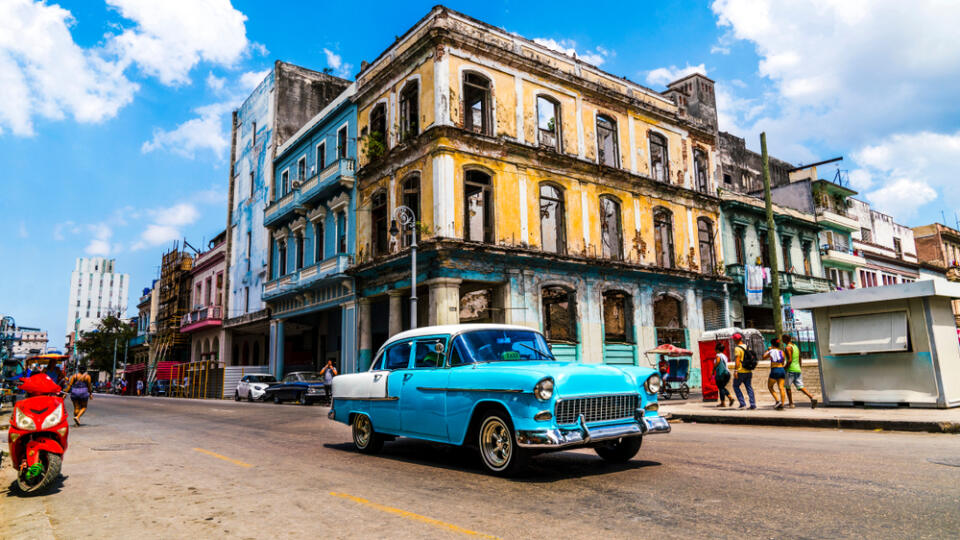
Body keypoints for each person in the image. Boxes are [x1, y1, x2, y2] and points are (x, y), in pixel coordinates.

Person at [782, 334, 818, 409]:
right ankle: (811, 397)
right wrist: (799, 367)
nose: (782, 340)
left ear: (785, 339)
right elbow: (800, 357)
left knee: (787, 387)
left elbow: (789, 360)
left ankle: (791, 403)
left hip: (790, 370)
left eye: (783, 338)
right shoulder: (795, 346)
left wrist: (784, 368)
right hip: (797, 369)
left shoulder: (788, 348)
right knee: (800, 386)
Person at [732, 333, 756, 409]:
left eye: (734, 339)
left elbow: (738, 360)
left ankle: (742, 404)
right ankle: (753, 404)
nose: (733, 340)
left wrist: (735, 370)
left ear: (736, 340)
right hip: (748, 371)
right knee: (749, 387)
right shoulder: (747, 347)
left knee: (735, 386)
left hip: (740, 371)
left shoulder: (737, 348)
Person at [765, 338, 787, 410]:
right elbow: (783, 361)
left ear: (772, 344)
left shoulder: (771, 351)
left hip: (775, 370)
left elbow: (764, 356)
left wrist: (768, 350)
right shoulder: (781, 351)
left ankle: (777, 401)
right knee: (781, 388)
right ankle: (782, 404)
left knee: (770, 386)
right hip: (782, 369)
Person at [714, 342, 735, 407]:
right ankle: (726, 400)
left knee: (721, 387)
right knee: (722, 388)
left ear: (717, 349)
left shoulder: (718, 355)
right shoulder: (724, 356)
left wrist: (713, 369)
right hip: (727, 373)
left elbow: (717, 361)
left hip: (722, 374)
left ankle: (728, 399)